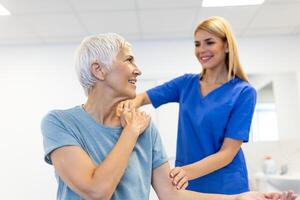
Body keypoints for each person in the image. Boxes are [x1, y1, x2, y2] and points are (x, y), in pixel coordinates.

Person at [41, 33, 296, 200]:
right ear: (98, 70)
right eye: (129, 60)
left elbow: (171, 194)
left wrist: (239, 198)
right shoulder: (60, 123)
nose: (138, 70)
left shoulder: (146, 128)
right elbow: (97, 190)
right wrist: (130, 132)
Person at [118, 16, 258, 194]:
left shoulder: (243, 92)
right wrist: (128, 106)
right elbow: (143, 97)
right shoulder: (186, 84)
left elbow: (227, 153)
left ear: (227, 46)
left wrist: (185, 172)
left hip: (225, 184)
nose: (201, 50)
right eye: (197, 44)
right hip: (188, 184)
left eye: (209, 42)